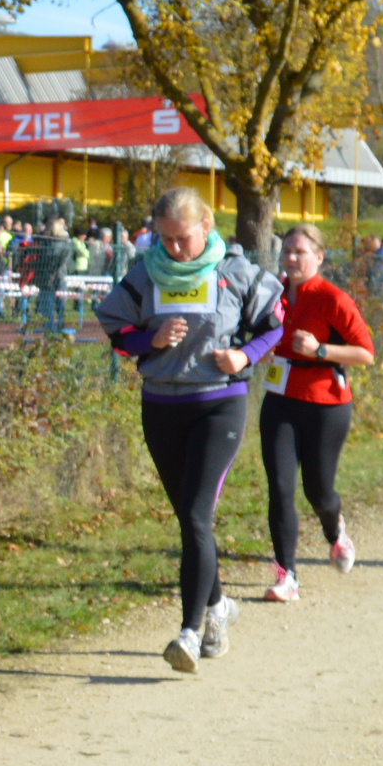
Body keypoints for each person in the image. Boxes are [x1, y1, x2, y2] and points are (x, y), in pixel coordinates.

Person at [92, 187, 282, 671]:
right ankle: (218, 608)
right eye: (166, 239)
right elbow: (116, 331)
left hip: (218, 405)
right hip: (161, 407)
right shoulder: (145, 274)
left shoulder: (235, 271)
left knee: (197, 517)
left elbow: (276, 324)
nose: (175, 249)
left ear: (207, 227)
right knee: (190, 520)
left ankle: (189, 633)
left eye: (184, 238)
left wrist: (244, 355)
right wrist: (149, 340)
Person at [254, 223, 373, 603]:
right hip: (280, 401)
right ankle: (286, 575)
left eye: (300, 252)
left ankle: (335, 529)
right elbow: (254, 332)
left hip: (326, 405)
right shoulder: (271, 293)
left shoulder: (332, 298)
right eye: (287, 251)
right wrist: (258, 349)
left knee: (318, 491)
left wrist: (321, 350)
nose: (291, 258)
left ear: (319, 258)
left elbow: (365, 353)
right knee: (280, 487)